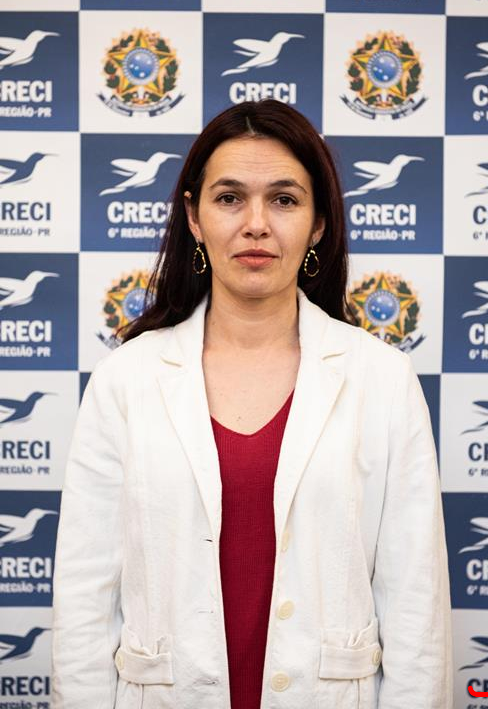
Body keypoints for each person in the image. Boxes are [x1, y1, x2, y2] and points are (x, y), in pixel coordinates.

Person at [51, 99, 453, 709]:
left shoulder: (383, 381)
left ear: (318, 224)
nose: (257, 224)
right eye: (230, 198)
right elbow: (85, 603)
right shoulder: (124, 381)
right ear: (194, 217)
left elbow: (416, 609)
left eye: (285, 200)